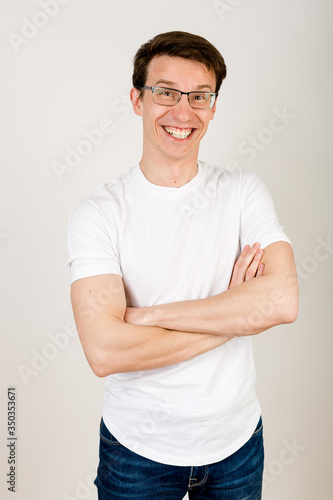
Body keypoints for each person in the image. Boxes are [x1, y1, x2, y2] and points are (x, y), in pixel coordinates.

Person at [66, 31, 299, 500]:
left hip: (237, 445)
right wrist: (234, 315)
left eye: (199, 96)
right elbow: (105, 352)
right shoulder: (98, 213)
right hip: (137, 454)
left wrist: (148, 316)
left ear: (213, 107)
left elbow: (281, 301)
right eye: (166, 92)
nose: (182, 111)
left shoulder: (242, 192)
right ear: (137, 99)